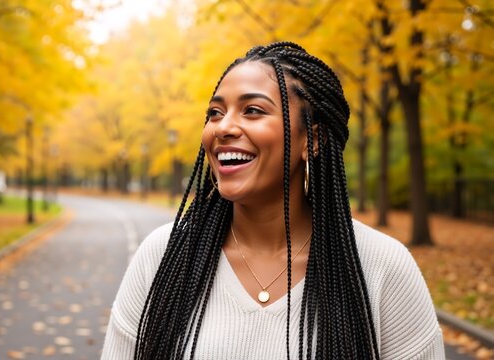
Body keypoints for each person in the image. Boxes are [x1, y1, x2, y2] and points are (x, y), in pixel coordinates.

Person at [102, 42, 444, 359]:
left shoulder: (382, 268)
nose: (223, 127)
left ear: (311, 138)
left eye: (252, 110)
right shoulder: (164, 255)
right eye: (215, 113)